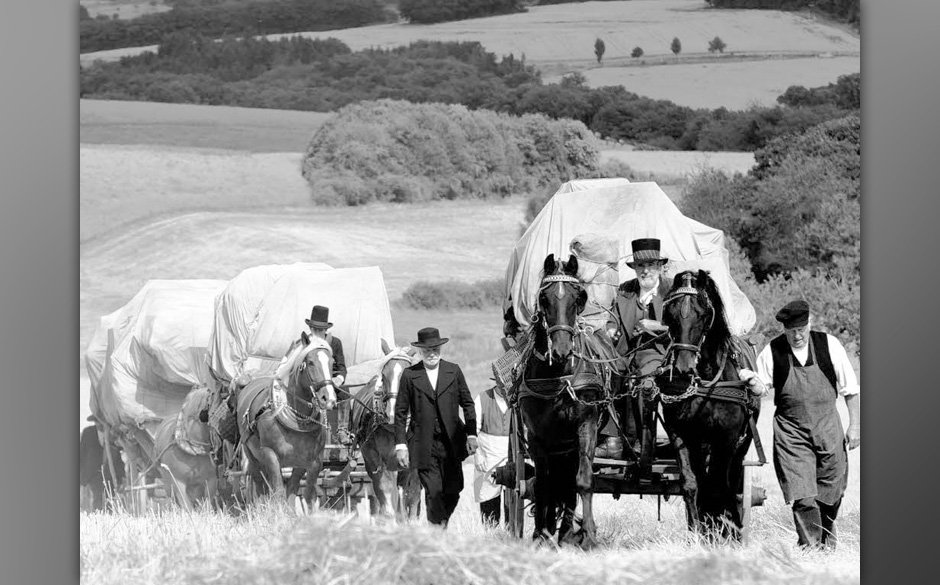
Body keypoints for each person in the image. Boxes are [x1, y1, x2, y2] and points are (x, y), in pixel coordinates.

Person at [754, 300, 860, 550]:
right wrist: (751, 380)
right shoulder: (772, 351)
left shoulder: (829, 345)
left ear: (809, 324)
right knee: (802, 495)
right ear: (784, 330)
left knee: (831, 492)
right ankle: (810, 548)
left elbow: (851, 390)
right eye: (791, 331)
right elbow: (760, 388)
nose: (797, 336)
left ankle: (825, 538)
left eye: (801, 329)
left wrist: (855, 427)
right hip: (791, 432)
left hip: (828, 427)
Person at [394, 327, 478, 527]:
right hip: (423, 443)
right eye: (427, 350)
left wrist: (472, 434)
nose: (431, 353)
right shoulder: (409, 375)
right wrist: (401, 445)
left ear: (440, 349)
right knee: (433, 491)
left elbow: (468, 404)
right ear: (420, 351)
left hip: (451, 442)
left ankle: (440, 525)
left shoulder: (453, 371)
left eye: (435, 349)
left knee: (453, 490)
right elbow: (400, 412)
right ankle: (437, 530)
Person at [602, 238, 672, 458]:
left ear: (659, 266)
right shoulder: (626, 290)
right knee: (607, 373)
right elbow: (613, 318)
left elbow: (684, 326)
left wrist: (656, 325)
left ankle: (644, 441)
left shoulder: (672, 290)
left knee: (645, 381)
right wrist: (611, 329)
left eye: (650, 265)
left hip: (661, 352)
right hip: (626, 352)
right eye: (641, 266)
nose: (645, 270)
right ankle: (613, 439)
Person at [300, 305, 349, 444]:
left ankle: (342, 430)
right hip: (311, 380)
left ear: (325, 330)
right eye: (315, 329)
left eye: (320, 330)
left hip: (329, 381)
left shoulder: (335, 343)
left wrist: (339, 378)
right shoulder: (304, 343)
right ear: (310, 328)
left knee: (344, 392)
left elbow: (342, 367)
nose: (317, 332)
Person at [472, 385, 511, 528]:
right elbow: (472, 430)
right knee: (488, 500)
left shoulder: (518, 399)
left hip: (511, 458)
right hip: (487, 456)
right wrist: (478, 455)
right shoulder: (482, 398)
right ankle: (491, 533)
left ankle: (510, 533)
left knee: (511, 501)